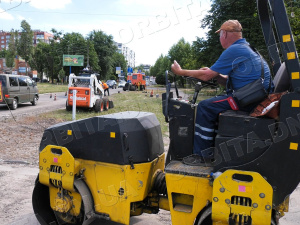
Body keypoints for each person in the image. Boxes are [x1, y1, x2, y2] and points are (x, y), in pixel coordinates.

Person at [171, 20, 273, 164]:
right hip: (254, 97)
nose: (219, 39)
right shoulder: (247, 48)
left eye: (220, 35)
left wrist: (180, 72)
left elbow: (206, 76)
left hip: (247, 101)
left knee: (205, 107)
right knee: (213, 104)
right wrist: (217, 75)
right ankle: (213, 147)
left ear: (224, 34)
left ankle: (202, 156)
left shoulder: (235, 50)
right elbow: (227, 80)